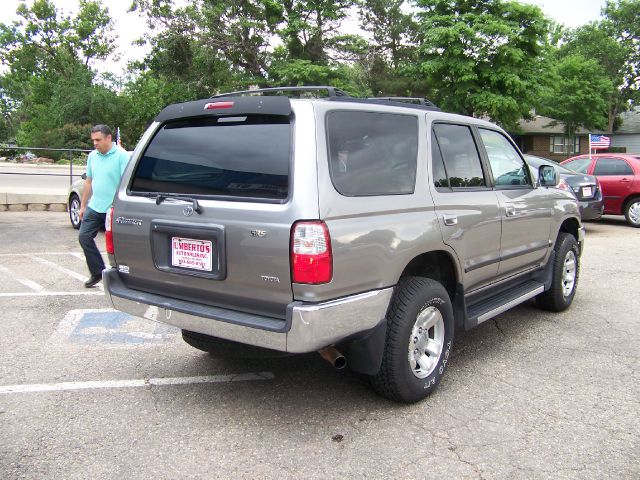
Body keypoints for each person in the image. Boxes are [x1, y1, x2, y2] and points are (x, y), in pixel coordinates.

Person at [79, 125, 129, 287]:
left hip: (113, 208)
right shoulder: (92, 156)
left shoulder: (122, 156)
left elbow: (125, 183)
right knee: (84, 237)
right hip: (95, 206)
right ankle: (97, 271)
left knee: (120, 244)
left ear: (109, 138)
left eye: (98, 140)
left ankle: (125, 277)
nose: (95, 143)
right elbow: (88, 181)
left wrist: (120, 207)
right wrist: (83, 205)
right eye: (93, 140)